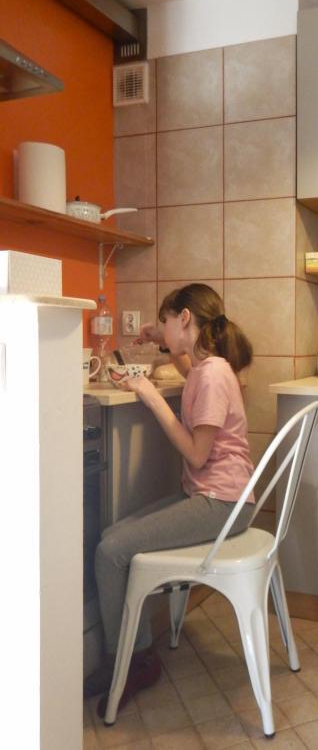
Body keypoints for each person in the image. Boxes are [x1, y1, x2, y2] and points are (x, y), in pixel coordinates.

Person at [84, 283, 255, 716]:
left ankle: (132, 660)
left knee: (110, 551)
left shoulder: (213, 375)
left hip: (222, 503)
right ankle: (130, 654)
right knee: (111, 538)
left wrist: (148, 393)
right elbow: (179, 355)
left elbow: (198, 454)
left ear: (185, 320)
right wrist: (150, 333)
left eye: (165, 320)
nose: (161, 331)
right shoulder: (204, 365)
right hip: (215, 495)